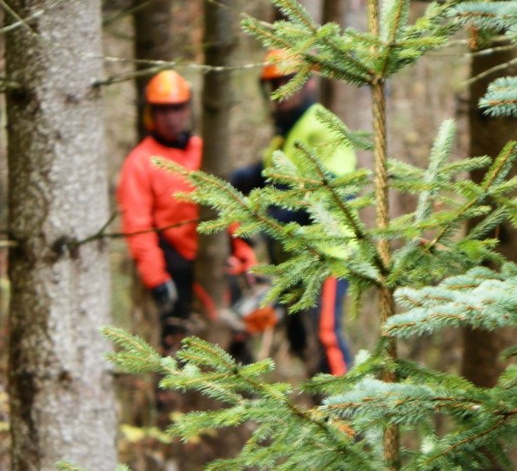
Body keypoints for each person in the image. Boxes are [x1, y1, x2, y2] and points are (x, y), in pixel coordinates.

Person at [228, 50, 357, 376]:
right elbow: (259, 173)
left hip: (327, 256)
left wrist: (275, 216)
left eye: (287, 83)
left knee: (326, 333)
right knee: (302, 342)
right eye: (274, 86)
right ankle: (321, 411)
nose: (280, 95)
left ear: (307, 83)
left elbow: (337, 189)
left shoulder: (323, 128)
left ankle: (351, 415)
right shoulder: (285, 138)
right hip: (294, 264)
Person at [117, 69, 202, 355]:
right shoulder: (140, 162)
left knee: (231, 337)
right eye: (163, 110)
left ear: (188, 109)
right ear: (151, 113)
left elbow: (225, 209)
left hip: (209, 256)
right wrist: (157, 279)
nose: (171, 117)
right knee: (175, 341)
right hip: (172, 264)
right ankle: (170, 398)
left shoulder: (202, 151)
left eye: (177, 108)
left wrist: (242, 254)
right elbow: (137, 225)